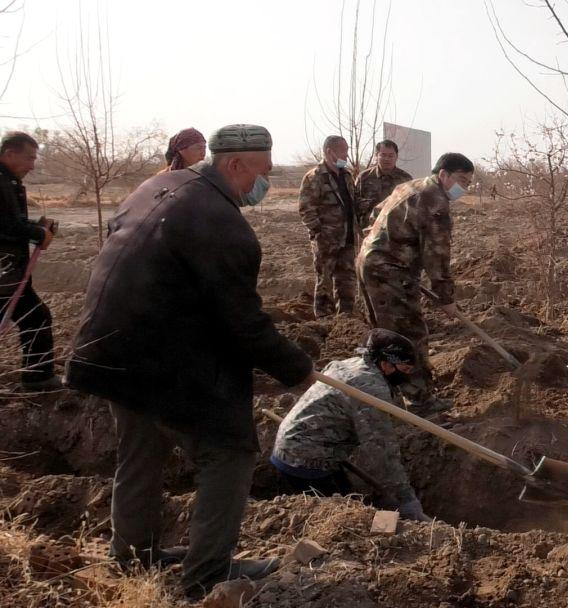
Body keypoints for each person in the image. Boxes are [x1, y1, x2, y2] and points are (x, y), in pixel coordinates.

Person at [65, 124, 314, 599]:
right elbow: (242, 323)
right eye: (262, 172)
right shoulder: (222, 224)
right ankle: (207, 577)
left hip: (108, 346)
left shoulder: (158, 185)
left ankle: (132, 558)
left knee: (140, 449)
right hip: (157, 356)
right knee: (230, 452)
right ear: (234, 164)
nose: (265, 185)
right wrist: (296, 369)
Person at [271, 329, 429, 521]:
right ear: (386, 365)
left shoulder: (352, 365)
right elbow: (380, 449)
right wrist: (406, 499)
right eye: (405, 370)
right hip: (304, 459)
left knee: (348, 497)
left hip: (303, 444)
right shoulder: (370, 389)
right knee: (343, 518)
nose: (408, 375)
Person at [358, 152, 473, 413]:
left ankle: (385, 392)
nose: (463, 188)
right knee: (410, 336)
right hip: (389, 271)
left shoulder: (410, 185)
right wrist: (446, 298)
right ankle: (418, 400)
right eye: (461, 180)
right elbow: (438, 256)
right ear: (443, 175)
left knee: (385, 332)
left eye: (467, 183)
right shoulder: (435, 201)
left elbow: (375, 215)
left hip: (371, 262)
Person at [0, 132, 60, 391]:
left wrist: (37, 228)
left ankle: (38, 376)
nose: (32, 165)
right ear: (9, 154)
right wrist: (38, 233)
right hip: (4, 270)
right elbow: (6, 224)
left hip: (9, 268)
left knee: (34, 316)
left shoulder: (7, 181)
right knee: (36, 317)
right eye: (29, 158)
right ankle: (38, 378)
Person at [299, 135, 359, 317]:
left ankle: (346, 319)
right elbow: (306, 208)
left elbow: (353, 202)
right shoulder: (315, 177)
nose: (347, 155)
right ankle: (324, 321)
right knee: (324, 281)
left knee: (347, 280)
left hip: (347, 238)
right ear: (329, 152)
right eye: (344, 151)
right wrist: (319, 233)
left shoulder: (347, 176)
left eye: (347, 150)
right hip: (326, 240)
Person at [356, 139, 413, 226]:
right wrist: (372, 205)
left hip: (396, 231)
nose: (387, 159)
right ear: (376, 155)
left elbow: (412, 206)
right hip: (369, 230)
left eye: (391, 156)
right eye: (383, 155)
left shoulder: (405, 179)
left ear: (396, 156)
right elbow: (354, 202)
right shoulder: (364, 177)